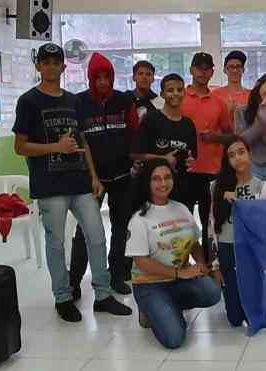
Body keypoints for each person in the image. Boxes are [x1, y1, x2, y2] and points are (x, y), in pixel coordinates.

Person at [12, 43, 131, 322]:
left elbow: (82, 140)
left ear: (64, 67)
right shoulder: (28, 101)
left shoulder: (73, 101)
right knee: (56, 243)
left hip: (80, 182)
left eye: (57, 62)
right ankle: (63, 297)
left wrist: (92, 175)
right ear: (39, 66)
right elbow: (20, 146)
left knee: (97, 236)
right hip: (50, 185)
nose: (52, 66)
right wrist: (56, 147)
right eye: (46, 61)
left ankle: (102, 295)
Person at [125, 158, 220, 348]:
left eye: (167, 177)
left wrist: (200, 263)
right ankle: (149, 309)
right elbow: (142, 262)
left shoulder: (181, 208)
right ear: (147, 183)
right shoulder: (139, 218)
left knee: (212, 292)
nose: (163, 183)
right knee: (174, 339)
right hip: (149, 285)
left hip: (179, 281)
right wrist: (180, 272)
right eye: (156, 179)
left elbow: (194, 243)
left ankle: (167, 307)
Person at [70, 53, 138, 299]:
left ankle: (116, 275)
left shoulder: (123, 101)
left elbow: (133, 132)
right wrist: (89, 175)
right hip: (91, 179)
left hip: (122, 176)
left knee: (121, 229)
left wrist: (135, 162)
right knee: (85, 230)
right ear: (90, 78)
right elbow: (79, 139)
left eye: (106, 76)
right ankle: (73, 281)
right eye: (97, 77)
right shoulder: (79, 103)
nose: (102, 82)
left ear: (112, 77)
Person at [209, 137, 266, 326]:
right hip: (227, 247)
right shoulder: (216, 187)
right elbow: (211, 228)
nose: (237, 158)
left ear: (250, 154)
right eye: (231, 155)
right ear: (226, 161)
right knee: (235, 319)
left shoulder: (262, 188)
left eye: (241, 152)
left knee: (254, 311)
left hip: (251, 248)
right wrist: (215, 264)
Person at [181, 52, 234, 260]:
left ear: (212, 71)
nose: (203, 72)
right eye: (199, 68)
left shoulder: (218, 102)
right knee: (183, 221)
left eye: (207, 68)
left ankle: (209, 266)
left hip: (211, 172)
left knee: (209, 222)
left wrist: (215, 137)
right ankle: (182, 264)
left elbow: (230, 136)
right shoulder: (180, 98)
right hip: (184, 170)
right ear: (191, 70)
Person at [131, 74, 198, 209]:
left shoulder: (188, 124)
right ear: (162, 94)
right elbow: (135, 154)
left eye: (179, 90)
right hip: (153, 190)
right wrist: (163, 158)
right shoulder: (151, 119)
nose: (175, 94)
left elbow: (192, 155)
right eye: (170, 90)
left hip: (182, 188)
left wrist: (190, 160)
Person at [234, 73, 266, 199]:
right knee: (254, 208)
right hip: (251, 165)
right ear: (258, 86)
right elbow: (243, 141)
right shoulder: (241, 111)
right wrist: (262, 111)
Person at [212, 50, 252, 116]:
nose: (235, 70)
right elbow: (211, 119)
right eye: (231, 67)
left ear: (243, 70)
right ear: (225, 70)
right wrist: (226, 111)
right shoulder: (215, 95)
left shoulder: (251, 95)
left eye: (238, 66)